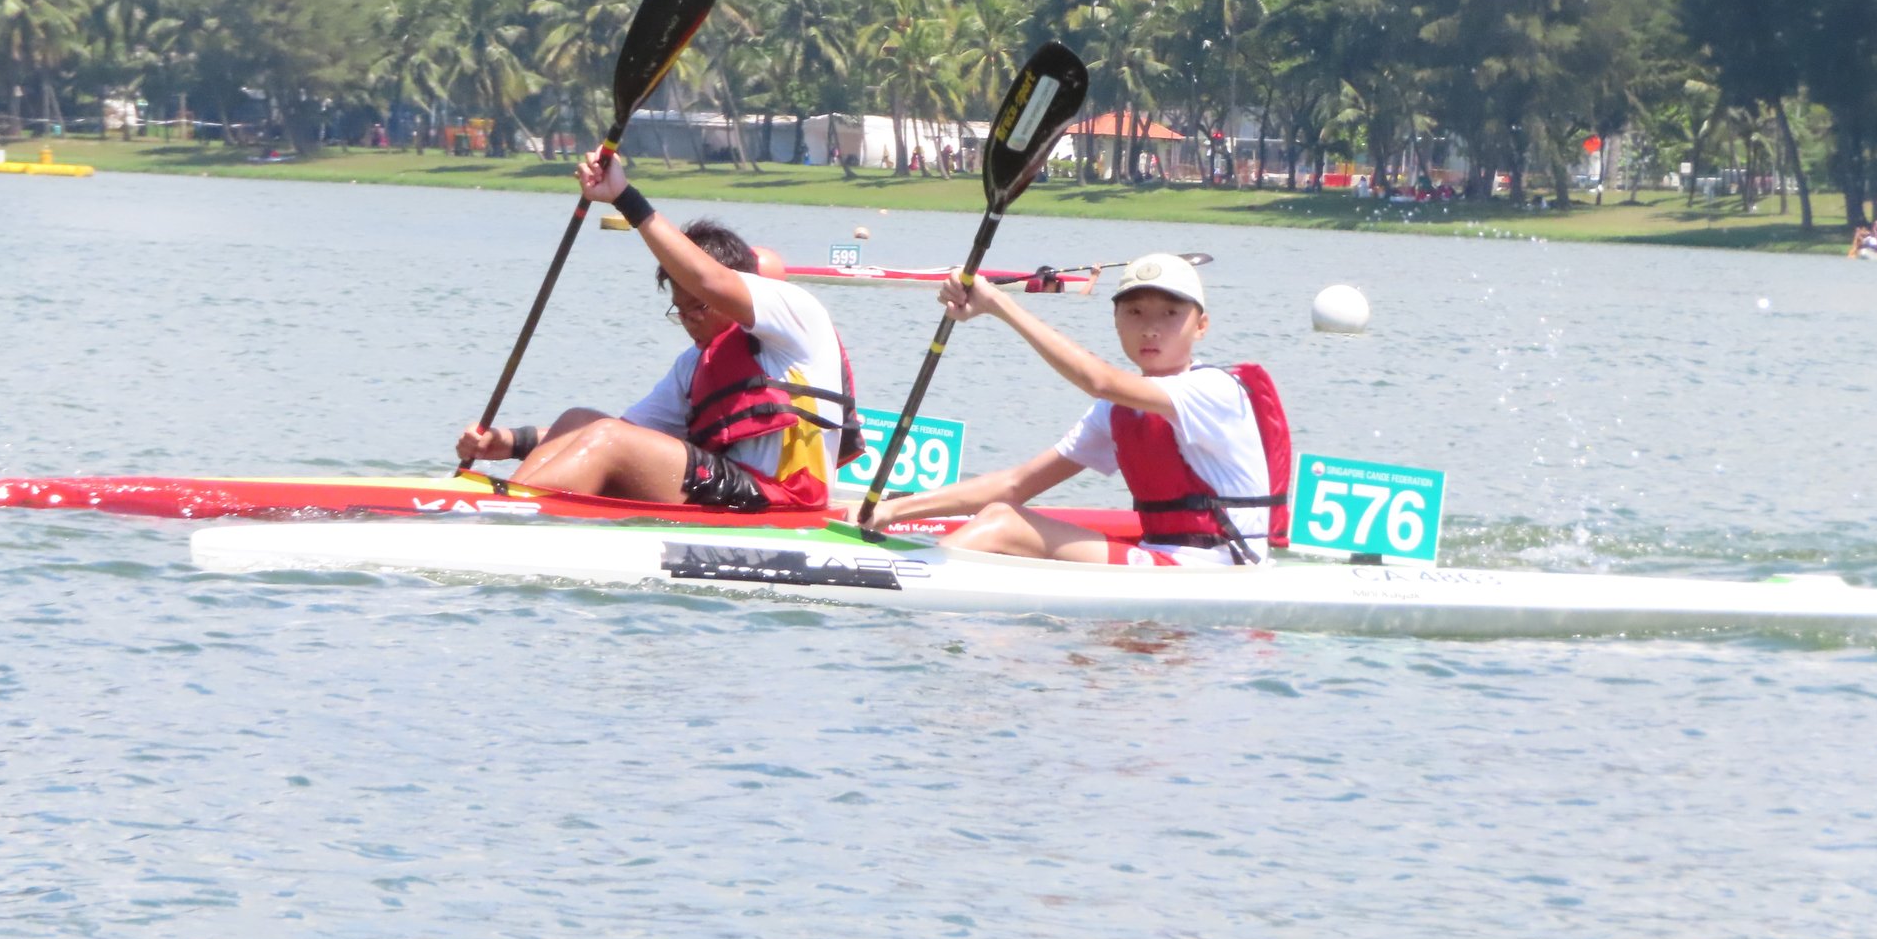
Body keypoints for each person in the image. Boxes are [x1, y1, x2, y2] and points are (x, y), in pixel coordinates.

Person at [455, 153, 863, 510]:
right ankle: (503, 501)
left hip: (784, 498)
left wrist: (625, 198)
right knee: (579, 419)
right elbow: (629, 434)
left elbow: (708, 279)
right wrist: (509, 441)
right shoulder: (694, 366)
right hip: (729, 485)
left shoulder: (796, 316)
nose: (689, 320)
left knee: (609, 441)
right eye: (680, 310)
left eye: (699, 306)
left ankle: (498, 515)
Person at [869, 254, 1291, 566]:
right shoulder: (1116, 410)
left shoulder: (1212, 389)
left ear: (1201, 326)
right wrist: (891, 510)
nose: (1150, 328)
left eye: (1170, 314)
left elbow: (1099, 379)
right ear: (1116, 322)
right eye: (1135, 312)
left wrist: (998, 305)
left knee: (1001, 523)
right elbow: (1017, 484)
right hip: (1162, 560)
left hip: (1223, 568)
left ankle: (911, 589)